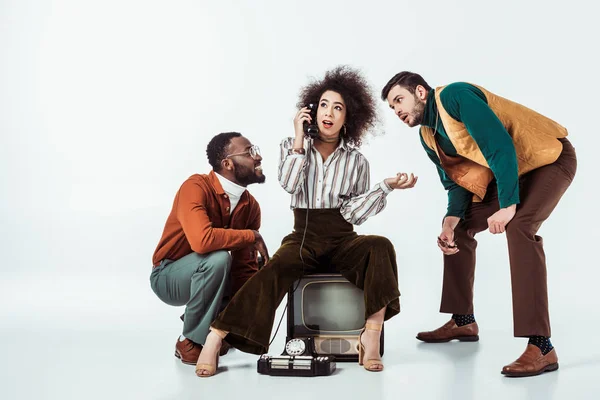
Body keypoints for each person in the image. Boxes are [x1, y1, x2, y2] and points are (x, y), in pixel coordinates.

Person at [194, 66, 418, 377]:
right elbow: (287, 183)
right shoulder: (291, 146)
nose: (329, 112)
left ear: (347, 118)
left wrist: (386, 187)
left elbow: (354, 214)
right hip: (304, 237)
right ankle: (215, 338)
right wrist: (300, 138)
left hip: (342, 237)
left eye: (338, 108)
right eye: (324, 105)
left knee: (380, 246)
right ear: (312, 110)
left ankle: (371, 334)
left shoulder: (357, 160)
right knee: (272, 270)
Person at [381, 72, 577, 377]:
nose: (396, 110)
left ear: (420, 92)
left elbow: (499, 146)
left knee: (519, 227)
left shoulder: (455, 96)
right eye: (392, 108)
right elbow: (457, 184)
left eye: (398, 100)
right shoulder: (428, 135)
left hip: (548, 161)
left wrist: (509, 205)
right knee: (458, 231)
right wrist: (449, 223)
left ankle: (542, 346)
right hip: (510, 173)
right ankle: (463, 321)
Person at [150, 132, 270, 366]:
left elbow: (243, 267)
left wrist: (256, 297)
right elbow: (201, 241)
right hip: (168, 276)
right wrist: (250, 236)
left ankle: (213, 329)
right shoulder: (195, 187)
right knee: (217, 258)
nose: (258, 157)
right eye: (249, 152)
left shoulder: (250, 206)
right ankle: (188, 341)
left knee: (253, 274)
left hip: (210, 275)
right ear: (227, 163)